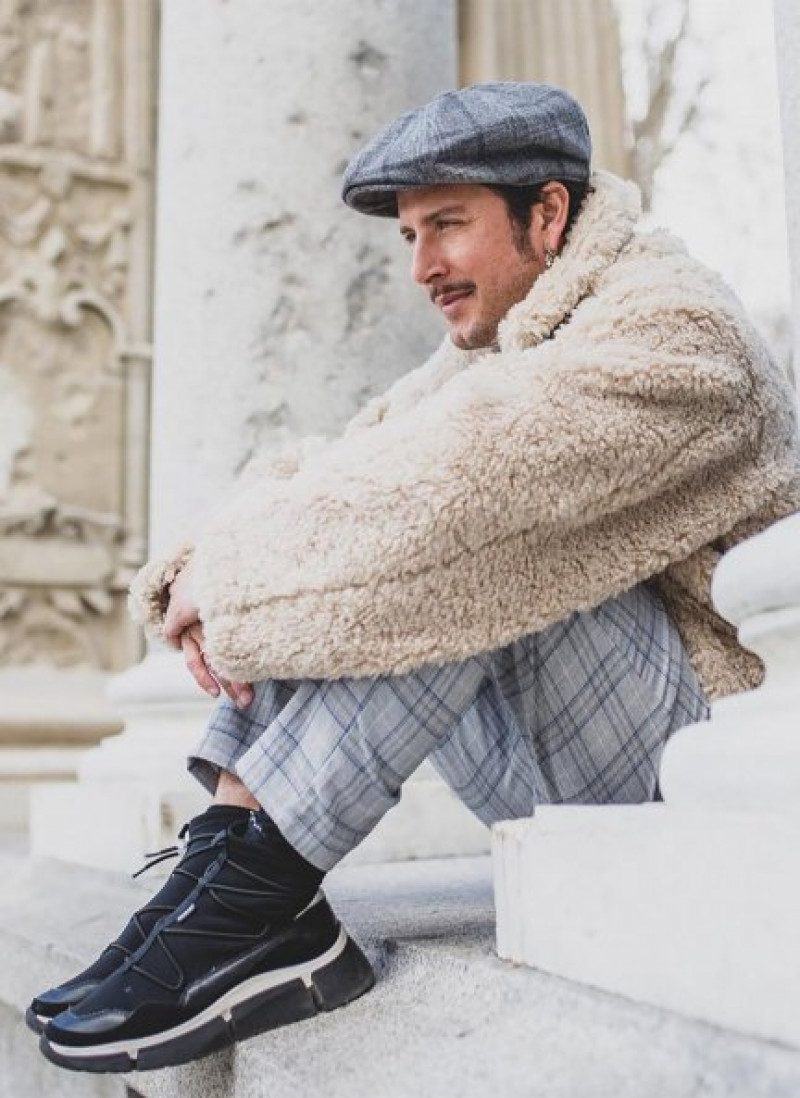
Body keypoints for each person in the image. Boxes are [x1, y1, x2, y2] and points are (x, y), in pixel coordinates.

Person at [30, 82, 800, 1073]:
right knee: (354, 542)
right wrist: (210, 568)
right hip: (574, 766)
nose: (422, 266)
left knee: (447, 541)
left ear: (548, 214)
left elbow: (461, 488)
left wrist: (243, 588)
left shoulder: (675, 329)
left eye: (447, 225)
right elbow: (347, 463)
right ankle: (229, 865)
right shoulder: (510, 329)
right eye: (408, 236)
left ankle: (257, 897)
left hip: (703, 778)